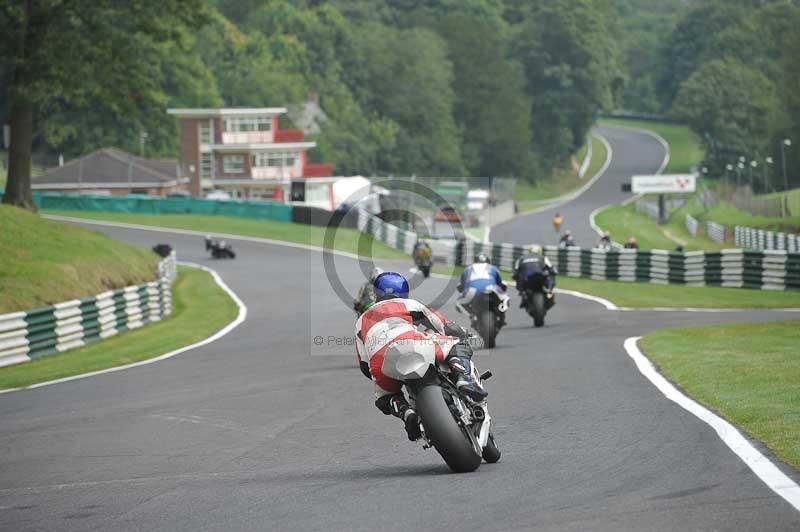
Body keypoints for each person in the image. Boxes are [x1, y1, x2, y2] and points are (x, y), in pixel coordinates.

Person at [354, 272, 486, 441]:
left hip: (380, 362)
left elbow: (365, 366)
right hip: (412, 344)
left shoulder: (361, 320)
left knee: (384, 397)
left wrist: (381, 375)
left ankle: (406, 412)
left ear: (376, 293)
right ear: (404, 291)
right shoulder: (409, 304)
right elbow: (446, 327)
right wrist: (463, 333)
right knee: (454, 343)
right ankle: (462, 377)